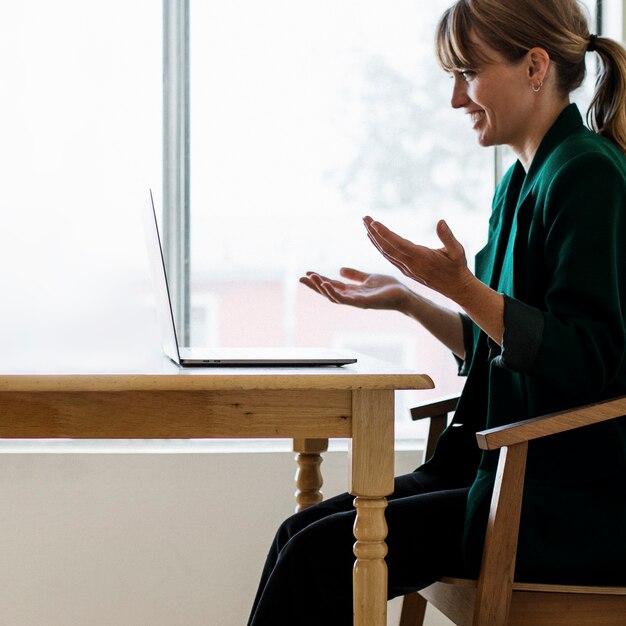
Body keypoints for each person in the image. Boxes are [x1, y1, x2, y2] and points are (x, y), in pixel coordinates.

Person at [247, 1, 626, 624]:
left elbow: (586, 361)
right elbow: (500, 348)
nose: (456, 99)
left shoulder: (589, 177)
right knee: (300, 534)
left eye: (467, 73)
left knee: (317, 556)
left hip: (563, 497)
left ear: (535, 66)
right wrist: (410, 299)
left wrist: (463, 288)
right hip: (491, 470)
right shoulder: (521, 181)